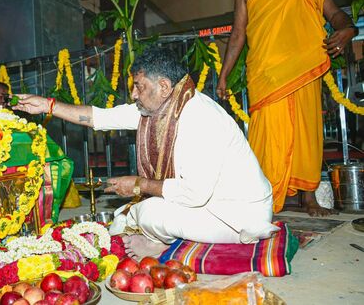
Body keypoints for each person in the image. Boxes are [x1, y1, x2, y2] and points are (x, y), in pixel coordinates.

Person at [14, 47, 279, 259]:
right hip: (210, 203)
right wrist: (48, 106)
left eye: (139, 86)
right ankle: (161, 238)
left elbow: (195, 194)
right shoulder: (162, 108)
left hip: (238, 215)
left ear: (163, 86)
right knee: (122, 220)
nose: (133, 94)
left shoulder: (199, 118)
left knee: (149, 213)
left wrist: (140, 184)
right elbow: (100, 118)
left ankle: (162, 247)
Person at [217, 0, 357, 216]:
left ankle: (309, 199)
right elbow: (238, 32)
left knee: (306, 130)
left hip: (303, 63)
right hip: (267, 71)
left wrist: (348, 29)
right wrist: (223, 75)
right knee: (269, 134)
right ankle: (261, 197)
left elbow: (335, 14)